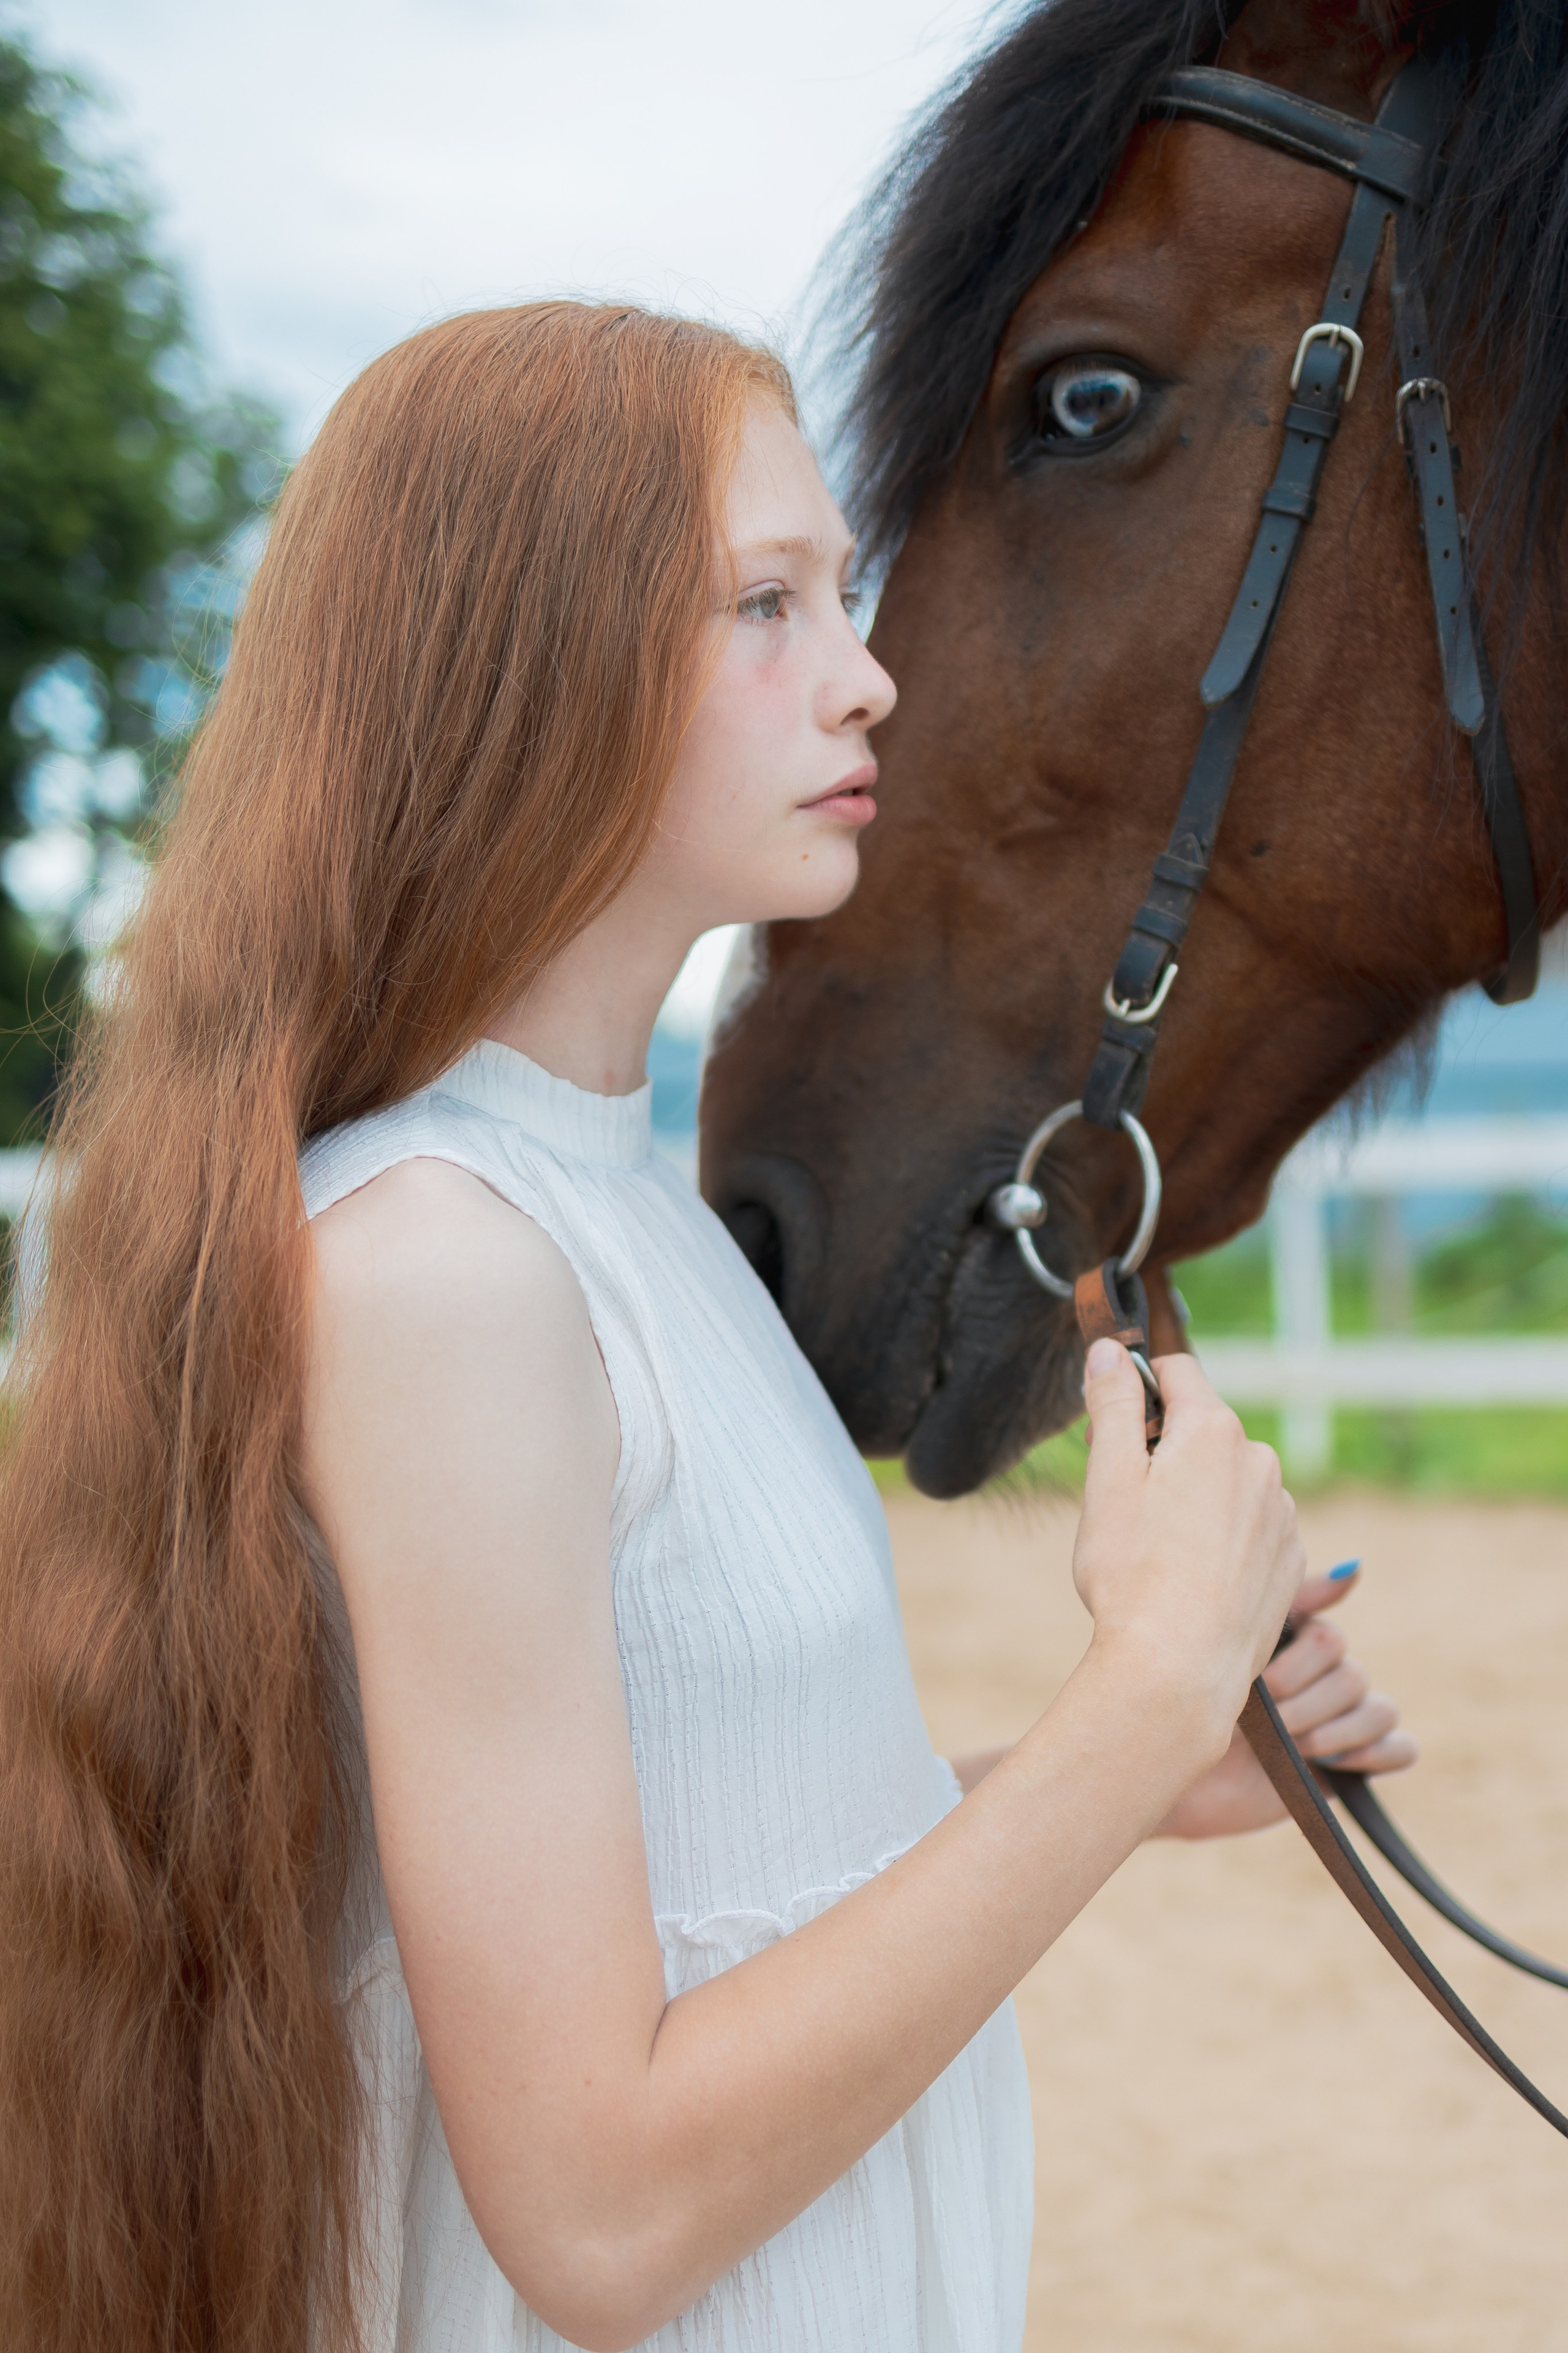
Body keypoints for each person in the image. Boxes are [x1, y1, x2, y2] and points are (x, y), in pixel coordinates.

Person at [0, 302, 1412, 2353]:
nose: (870, 676)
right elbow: (599, 2210)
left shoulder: (612, 1220)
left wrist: (1114, 1768)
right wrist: (1152, 1673)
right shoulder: (445, 1272)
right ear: (526, 662)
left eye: (839, 594)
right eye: (771, 602)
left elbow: (677, 1850)